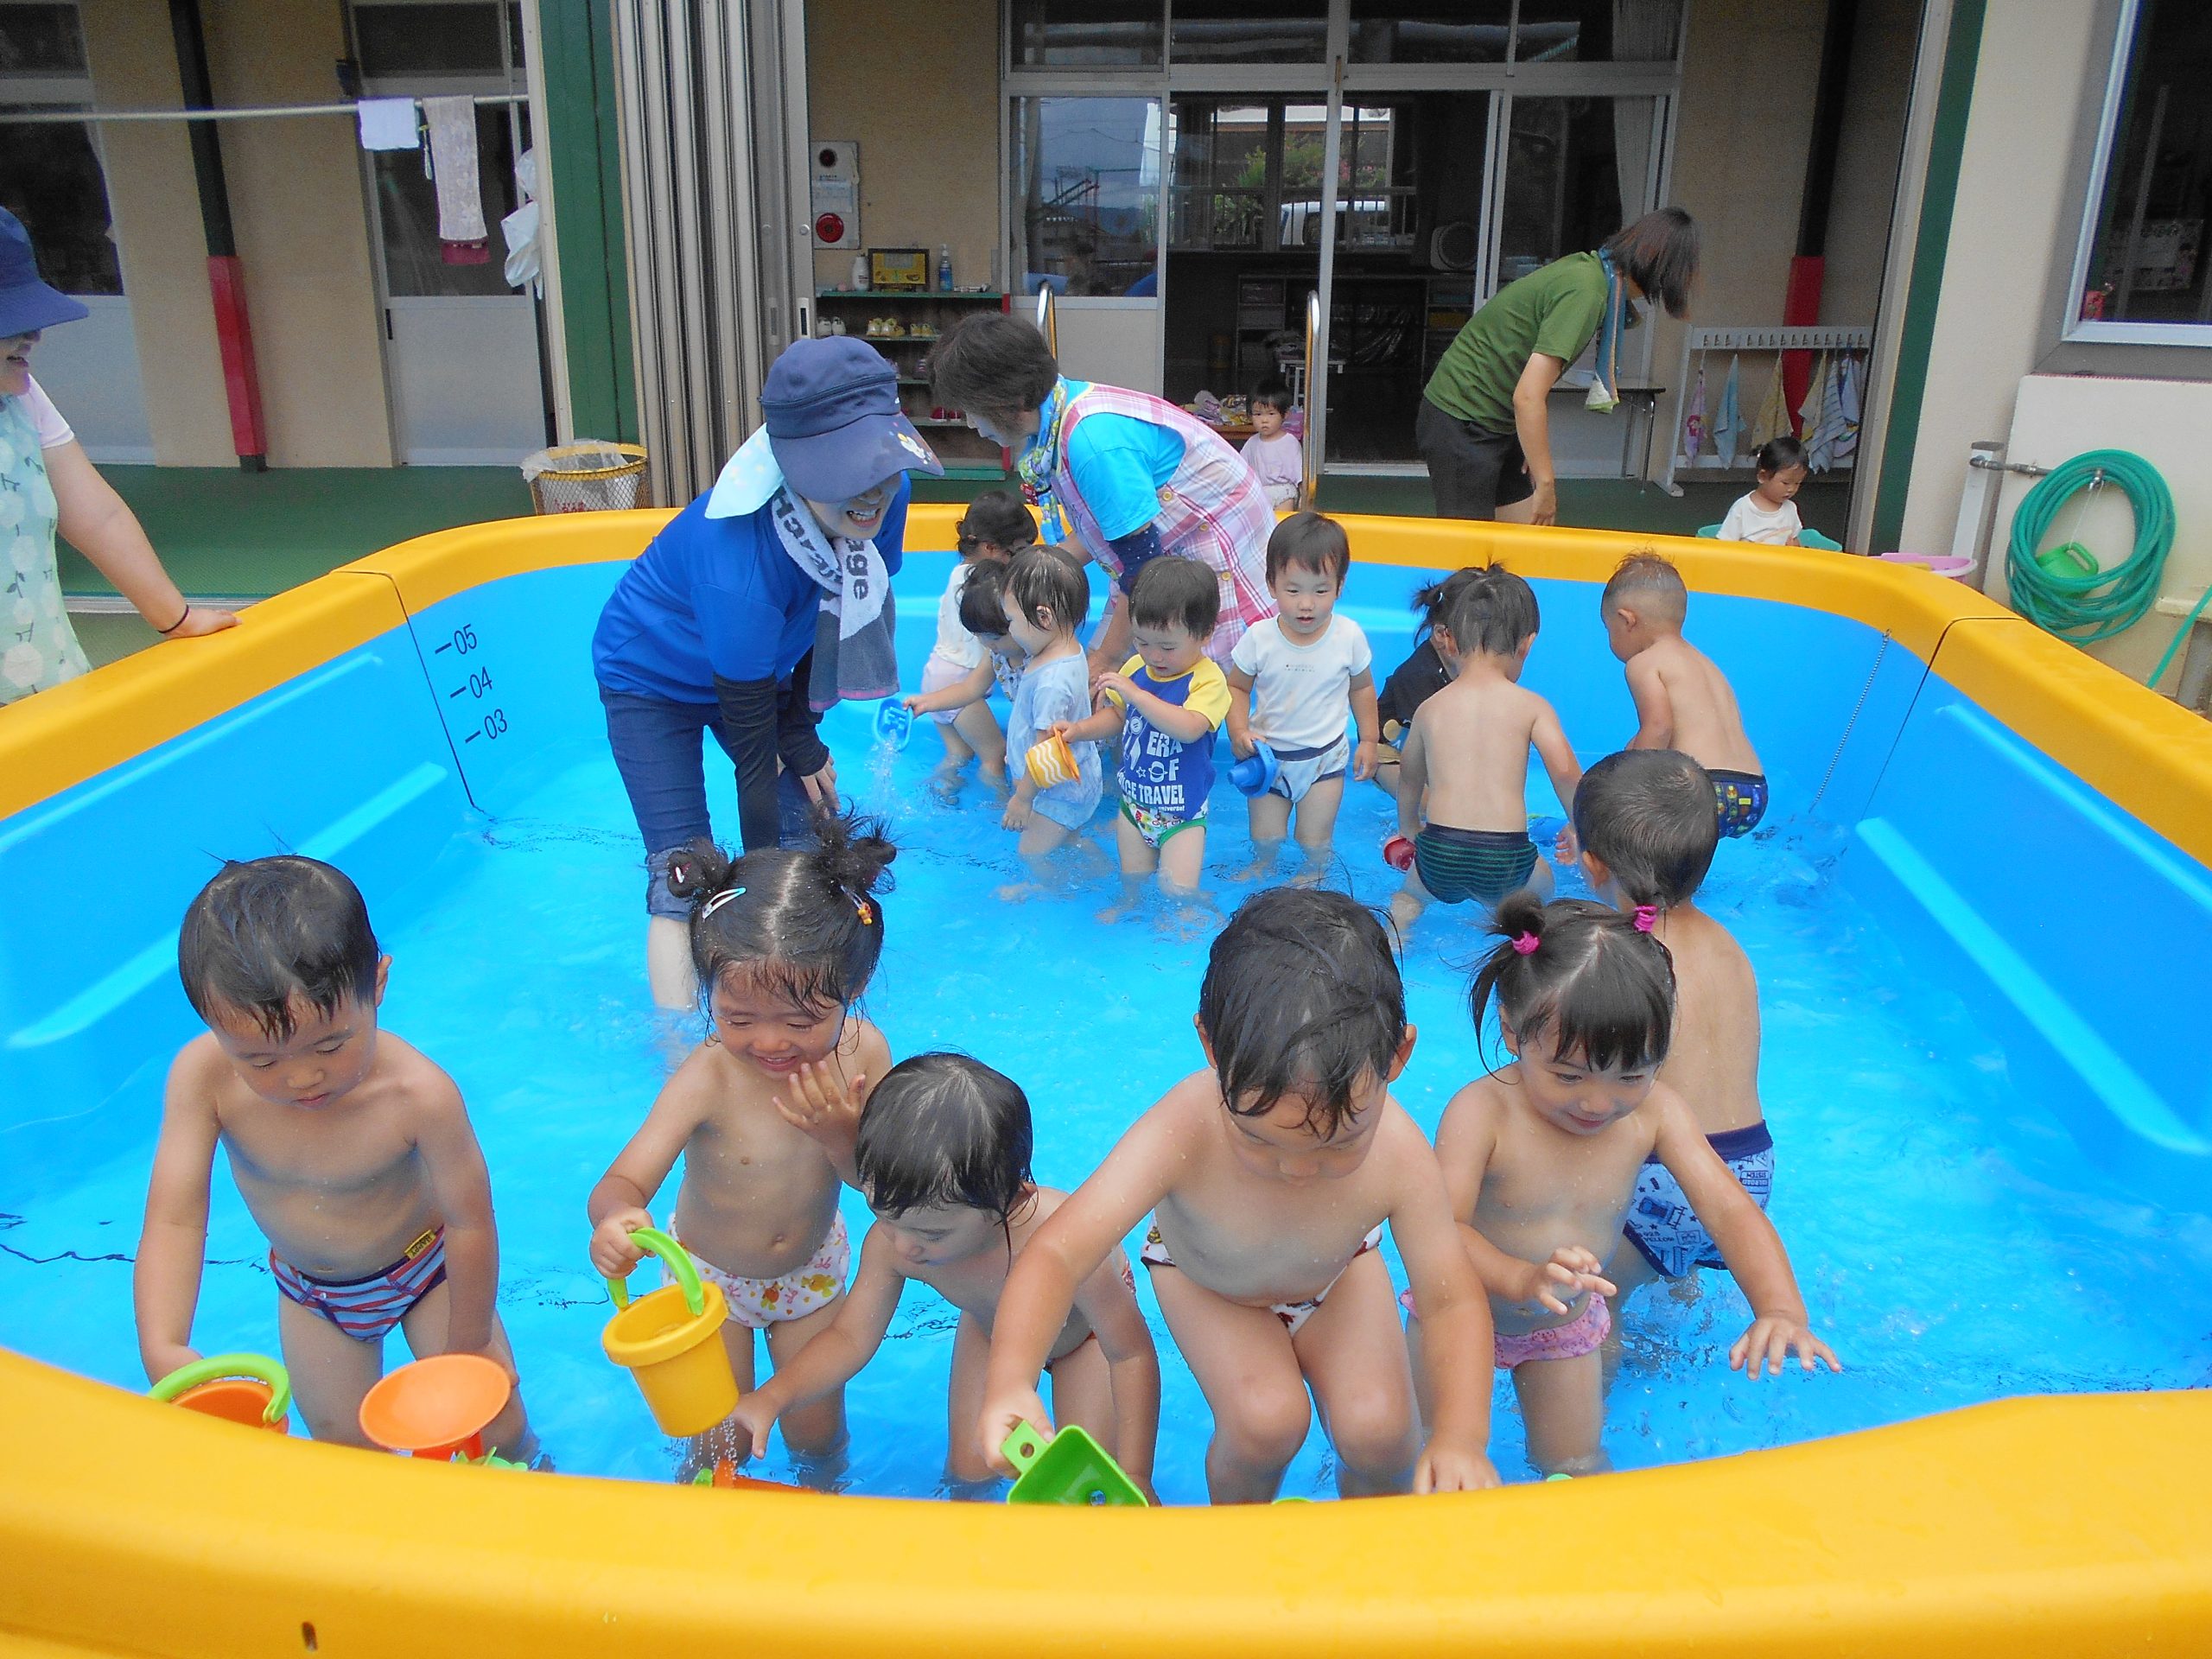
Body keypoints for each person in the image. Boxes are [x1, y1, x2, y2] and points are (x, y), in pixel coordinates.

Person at [977, 887, 1501, 1503]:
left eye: (1338, 1144)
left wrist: (1461, 1437)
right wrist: (1011, 1381)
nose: (1298, 1170)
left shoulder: (1399, 1154)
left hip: (1337, 1273)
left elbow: (1450, 1300)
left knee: (1383, 1435)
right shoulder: (1184, 1129)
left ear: (1396, 1058)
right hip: (1209, 1282)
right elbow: (1059, 1252)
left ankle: (1373, 1540)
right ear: (1211, 1048)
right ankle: (1237, 1529)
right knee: (1266, 1422)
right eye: (1258, 1140)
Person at [1416, 894, 1837, 1477]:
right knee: (1426, 1452)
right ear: (1512, 1032)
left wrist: (1781, 1307)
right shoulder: (1482, 1113)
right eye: (1569, 1076)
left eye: (1632, 1075)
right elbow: (1440, 1231)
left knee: (1575, 1463)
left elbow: (1730, 1211)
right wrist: (1520, 1278)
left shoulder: (1657, 1113)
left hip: (1562, 1324)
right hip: (1457, 1314)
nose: (1598, 1103)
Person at [135, 856, 535, 1458]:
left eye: (330, 1045)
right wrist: (164, 1343)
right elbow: (175, 1218)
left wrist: (472, 1339)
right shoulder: (204, 1078)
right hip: (314, 1295)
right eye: (261, 1060)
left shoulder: (418, 1095)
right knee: (344, 1449)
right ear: (213, 1026)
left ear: (378, 984)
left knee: (494, 1424)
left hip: (429, 1272)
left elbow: (470, 1221)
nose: (302, 1077)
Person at [592, 337, 943, 1008]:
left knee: (809, 825)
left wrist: (801, 734)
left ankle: (806, 986)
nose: (871, 492)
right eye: (847, 474)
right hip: (649, 681)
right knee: (682, 870)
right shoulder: (739, 564)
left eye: (880, 466)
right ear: (795, 465)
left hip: (762, 671)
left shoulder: (885, 498)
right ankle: (681, 1044)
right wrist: (755, 912)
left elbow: (836, 614)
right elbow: (753, 766)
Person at [585, 812, 898, 1467]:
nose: (771, 1041)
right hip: (708, 1283)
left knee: (817, 1436)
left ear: (854, 988)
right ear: (709, 994)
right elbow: (625, 1179)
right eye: (739, 1018)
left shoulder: (864, 1054)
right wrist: (616, 1219)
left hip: (811, 1271)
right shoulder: (709, 1077)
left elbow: (883, 1190)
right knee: (714, 1439)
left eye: (801, 1022)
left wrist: (840, 1136)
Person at [724, 1053, 1160, 1491]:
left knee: (1085, 1484)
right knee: (968, 1476)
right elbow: (850, 1338)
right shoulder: (895, 1241)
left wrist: (1137, 1473)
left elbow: (1131, 1354)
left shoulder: (1069, 1242)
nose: (903, 1245)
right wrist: (771, 1397)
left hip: (1083, 1339)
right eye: (883, 1215)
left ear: (1010, 1202)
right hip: (988, 1327)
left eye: (932, 1233)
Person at [927, 312, 1276, 671]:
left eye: (972, 411)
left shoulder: (1091, 442)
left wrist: (1106, 658)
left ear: (1008, 401)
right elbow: (1102, 529)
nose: (971, 424)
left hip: (1210, 549)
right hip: (1156, 556)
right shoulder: (1057, 415)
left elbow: (1143, 567)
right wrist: (1026, 573)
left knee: (1194, 675)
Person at [1, 207, 233, 706]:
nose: (34, 336)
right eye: (12, 322)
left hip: (40, 682)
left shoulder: (21, 400)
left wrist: (176, 617)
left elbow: (96, 515)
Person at [1571, 750, 1771, 1315]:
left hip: (1666, 1177)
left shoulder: (1628, 959)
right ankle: (1681, 1290)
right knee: (1676, 1263)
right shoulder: (1729, 946)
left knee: (1594, 1312)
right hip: (1749, 1171)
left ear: (1593, 865)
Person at [1419, 208, 1700, 525]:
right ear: (1665, 267)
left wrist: (1532, 448)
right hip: (1462, 416)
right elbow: (1528, 397)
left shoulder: (1597, 276)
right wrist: (1546, 482)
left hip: (1495, 419)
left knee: (1530, 533)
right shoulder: (1587, 290)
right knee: (1467, 549)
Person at [1389, 566, 1581, 934]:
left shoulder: (1430, 708)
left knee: (1410, 894)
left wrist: (1409, 828)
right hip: (1505, 858)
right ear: (1527, 644)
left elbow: (1409, 778)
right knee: (1543, 887)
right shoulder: (1533, 707)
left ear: (1450, 642)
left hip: (1439, 852)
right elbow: (1565, 775)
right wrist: (1579, 828)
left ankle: (1396, 933)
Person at [1051, 556, 1227, 917]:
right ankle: (1129, 906)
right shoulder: (1136, 668)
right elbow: (1117, 716)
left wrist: (1137, 695)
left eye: (1167, 647)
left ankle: (1187, 920)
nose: (1153, 655)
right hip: (1134, 806)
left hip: (1182, 813)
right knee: (1132, 880)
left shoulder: (1207, 681)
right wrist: (1080, 731)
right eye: (1142, 642)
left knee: (1177, 892)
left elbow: (1190, 728)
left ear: (1205, 634)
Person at [1224, 512, 1378, 880]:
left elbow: (1362, 688)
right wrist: (1238, 731)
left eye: (1320, 591)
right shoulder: (1260, 638)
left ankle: (1314, 873)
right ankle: (1262, 867)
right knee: (1265, 837)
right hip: (1269, 759)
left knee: (1314, 840)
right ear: (1271, 585)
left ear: (1339, 586)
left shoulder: (1348, 636)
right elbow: (1236, 687)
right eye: (1293, 591)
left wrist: (1370, 740)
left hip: (1324, 760)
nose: (1306, 604)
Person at [1599, 553, 1768, 837]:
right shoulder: (1706, 664)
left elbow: (1658, 728)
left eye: (1609, 630)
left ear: (1627, 620)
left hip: (1701, 789)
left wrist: (1621, 789)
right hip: (1752, 793)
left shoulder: (1644, 663)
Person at [997, 544, 1103, 898]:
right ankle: (1099, 870)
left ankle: (1050, 893)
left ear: (1043, 618)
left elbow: (1048, 753)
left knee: (1031, 852)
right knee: (1068, 839)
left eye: (1012, 621)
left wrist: (1022, 799)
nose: (1010, 630)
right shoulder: (1067, 649)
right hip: (1076, 784)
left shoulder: (1051, 683)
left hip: (1056, 792)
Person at [913, 491, 1037, 783]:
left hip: (937, 676)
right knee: (995, 755)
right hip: (960, 681)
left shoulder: (959, 574)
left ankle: (940, 795)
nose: (1020, 561)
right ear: (990, 547)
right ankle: (999, 804)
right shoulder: (985, 584)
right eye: (1017, 552)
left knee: (959, 755)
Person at [1717, 437, 1808, 546]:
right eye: (1786, 483)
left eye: (1797, 483)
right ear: (1763, 476)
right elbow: (1725, 545)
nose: (1791, 489)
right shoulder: (1743, 508)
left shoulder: (1790, 509)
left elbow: (1794, 540)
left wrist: (1794, 546)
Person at [1239, 380, 1301, 511]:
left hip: (1284, 492)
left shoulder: (1290, 442)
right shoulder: (1251, 443)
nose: (1264, 420)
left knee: (1282, 520)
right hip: (1258, 493)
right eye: (1258, 414)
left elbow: (1299, 475)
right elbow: (1240, 470)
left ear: (1285, 415)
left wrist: (1304, 500)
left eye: (1271, 414)